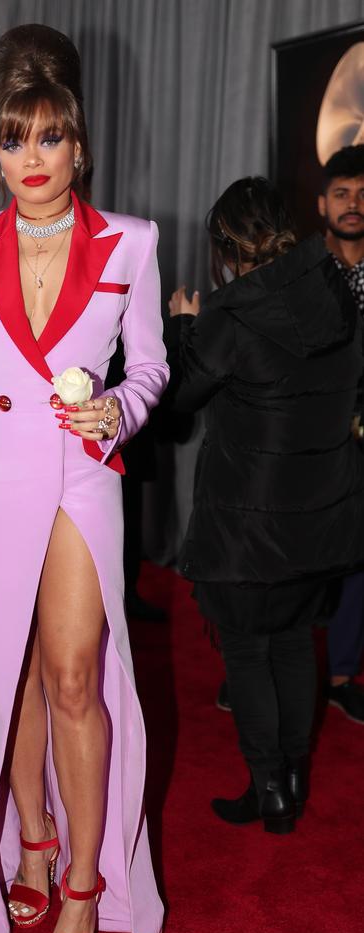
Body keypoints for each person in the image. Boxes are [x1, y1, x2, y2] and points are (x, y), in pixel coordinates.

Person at [0, 24, 168, 933]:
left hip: (78, 479)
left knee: (71, 677)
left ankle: (88, 885)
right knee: (7, 675)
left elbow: (151, 366)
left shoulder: (131, 244)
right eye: (14, 139)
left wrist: (118, 408)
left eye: (49, 137)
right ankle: (31, 837)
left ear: (81, 143)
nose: (32, 160)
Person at [167, 177, 364, 834]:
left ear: (226, 247)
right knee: (291, 645)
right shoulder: (334, 291)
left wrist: (183, 328)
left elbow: (180, 399)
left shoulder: (229, 314)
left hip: (247, 524)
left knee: (249, 652)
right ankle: (295, 778)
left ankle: (269, 789)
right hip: (320, 512)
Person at [318, 144, 364, 724]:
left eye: (362, 195)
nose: (354, 205)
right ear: (321, 202)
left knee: (357, 558)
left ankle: (342, 672)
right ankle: (269, 668)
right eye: (342, 194)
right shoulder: (303, 272)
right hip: (305, 437)